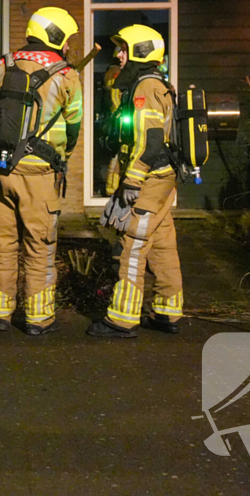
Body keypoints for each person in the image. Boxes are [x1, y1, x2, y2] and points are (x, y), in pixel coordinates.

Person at [0, 7, 83, 336]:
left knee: (2, 244)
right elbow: (74, 125)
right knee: (39, 246)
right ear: (55, 36)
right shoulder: (66, 74)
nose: (68, 47)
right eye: (67, 40)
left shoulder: (2, 65)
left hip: (1, 170)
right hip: (38, 176)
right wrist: (61, 156)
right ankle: (38, 319)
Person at [89, 24, 183, 339]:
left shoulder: (145, 87)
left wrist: (133, 178)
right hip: (163, 180)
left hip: (150, 181)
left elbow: (151, 138)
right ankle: (167, 312)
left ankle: (122, 319)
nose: (118, 55)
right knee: (163, 245)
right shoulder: (158, 84)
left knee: (132, 245)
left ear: (140, 53)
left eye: (124, 49)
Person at [102, 44, 126, 195]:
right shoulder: (115, 72)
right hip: (118, 118)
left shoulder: (114, 71)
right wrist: (119, 111)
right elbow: (115, 95)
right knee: (118, 155)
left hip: (117, 117)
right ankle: (112, 188)